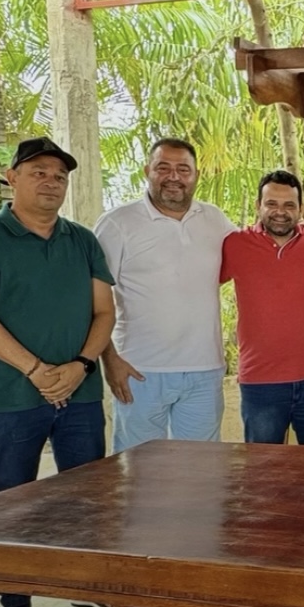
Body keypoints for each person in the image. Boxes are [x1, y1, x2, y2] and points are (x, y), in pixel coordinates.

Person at [0, 137, 115, 607]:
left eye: (59, 175)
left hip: (80, 393)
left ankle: (87, 585)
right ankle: (15, 605)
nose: (51, 181)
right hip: (12, 396)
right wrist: (36, 370)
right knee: (13, 502)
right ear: (12, 177)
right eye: (38, 171)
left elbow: (104, 312)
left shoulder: (81, 240)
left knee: (87, 498)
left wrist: (81, 366)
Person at [93, 138, 237, 453]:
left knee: (201, 468)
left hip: (204, 369)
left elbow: (256, 250)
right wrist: (110, 360)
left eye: (183, 169)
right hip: (139, 369)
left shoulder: (215, 220)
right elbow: (93, 301)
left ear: (196, 175)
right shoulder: (117, 224)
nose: (174, 176)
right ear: (148, 171)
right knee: (139, 469)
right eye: (163, 167)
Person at [220, 170, 304, 445]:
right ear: (258, 206)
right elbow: (195, 282)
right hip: (260, 382)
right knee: (262, 467)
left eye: (289, 205)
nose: (280, 212)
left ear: (300, 209)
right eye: (271, 203)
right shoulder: (235, 244)